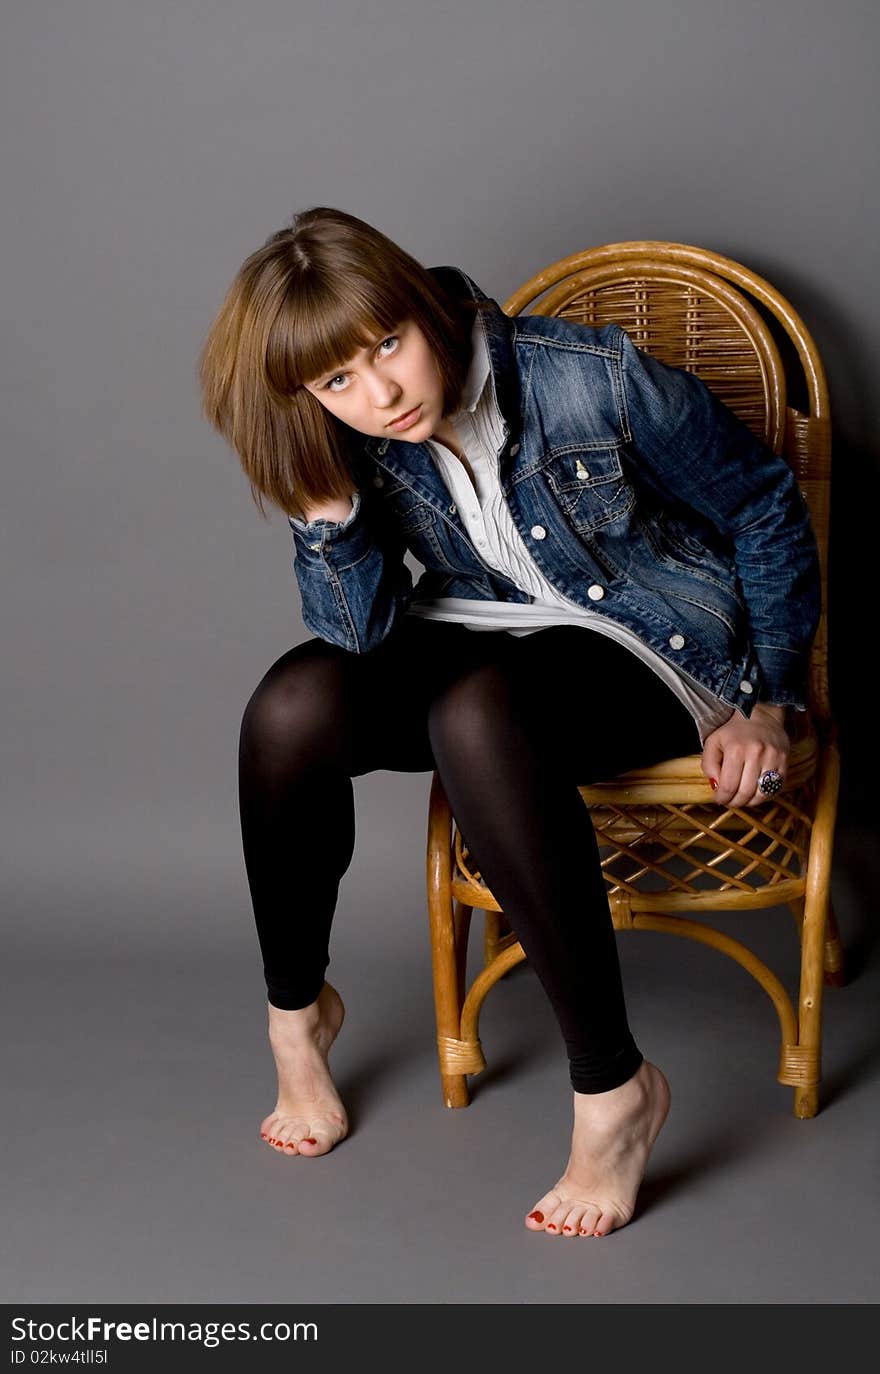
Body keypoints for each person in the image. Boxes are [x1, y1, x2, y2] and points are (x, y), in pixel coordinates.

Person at [198, 206, 821, 1238]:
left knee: (475, 712)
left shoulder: (591, 376)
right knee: (290, 707)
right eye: (336, 381)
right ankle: (297, 1018)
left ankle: (613, 1089)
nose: (380, 395)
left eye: (385, 346)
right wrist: (328, 516)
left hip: (650, 639)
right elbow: (355, 636)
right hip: (480, 630)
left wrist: (771, 698)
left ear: (418, 304)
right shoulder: (351, 437)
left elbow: (762, 505)